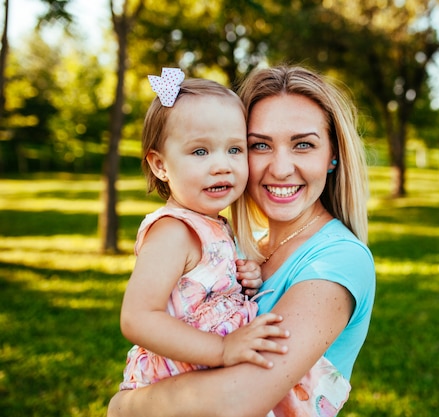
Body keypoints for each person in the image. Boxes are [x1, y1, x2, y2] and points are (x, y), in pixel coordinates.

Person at [108, 65, 376, 417]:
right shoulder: (234, 248)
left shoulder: (337, 260)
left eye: (304, 145)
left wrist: (123, 407)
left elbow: (235, 400)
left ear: (333, 156)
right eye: (260, 145)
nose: (280, 168)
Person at [117, 68, 290, 392]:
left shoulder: (216, 225)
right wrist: (221, 350)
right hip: (173, 383)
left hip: (213, 377)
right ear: (160, 165)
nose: (221, 165)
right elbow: (137, 317)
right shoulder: (174, 231)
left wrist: (244, 278)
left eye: (235, 150)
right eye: (200, 151)